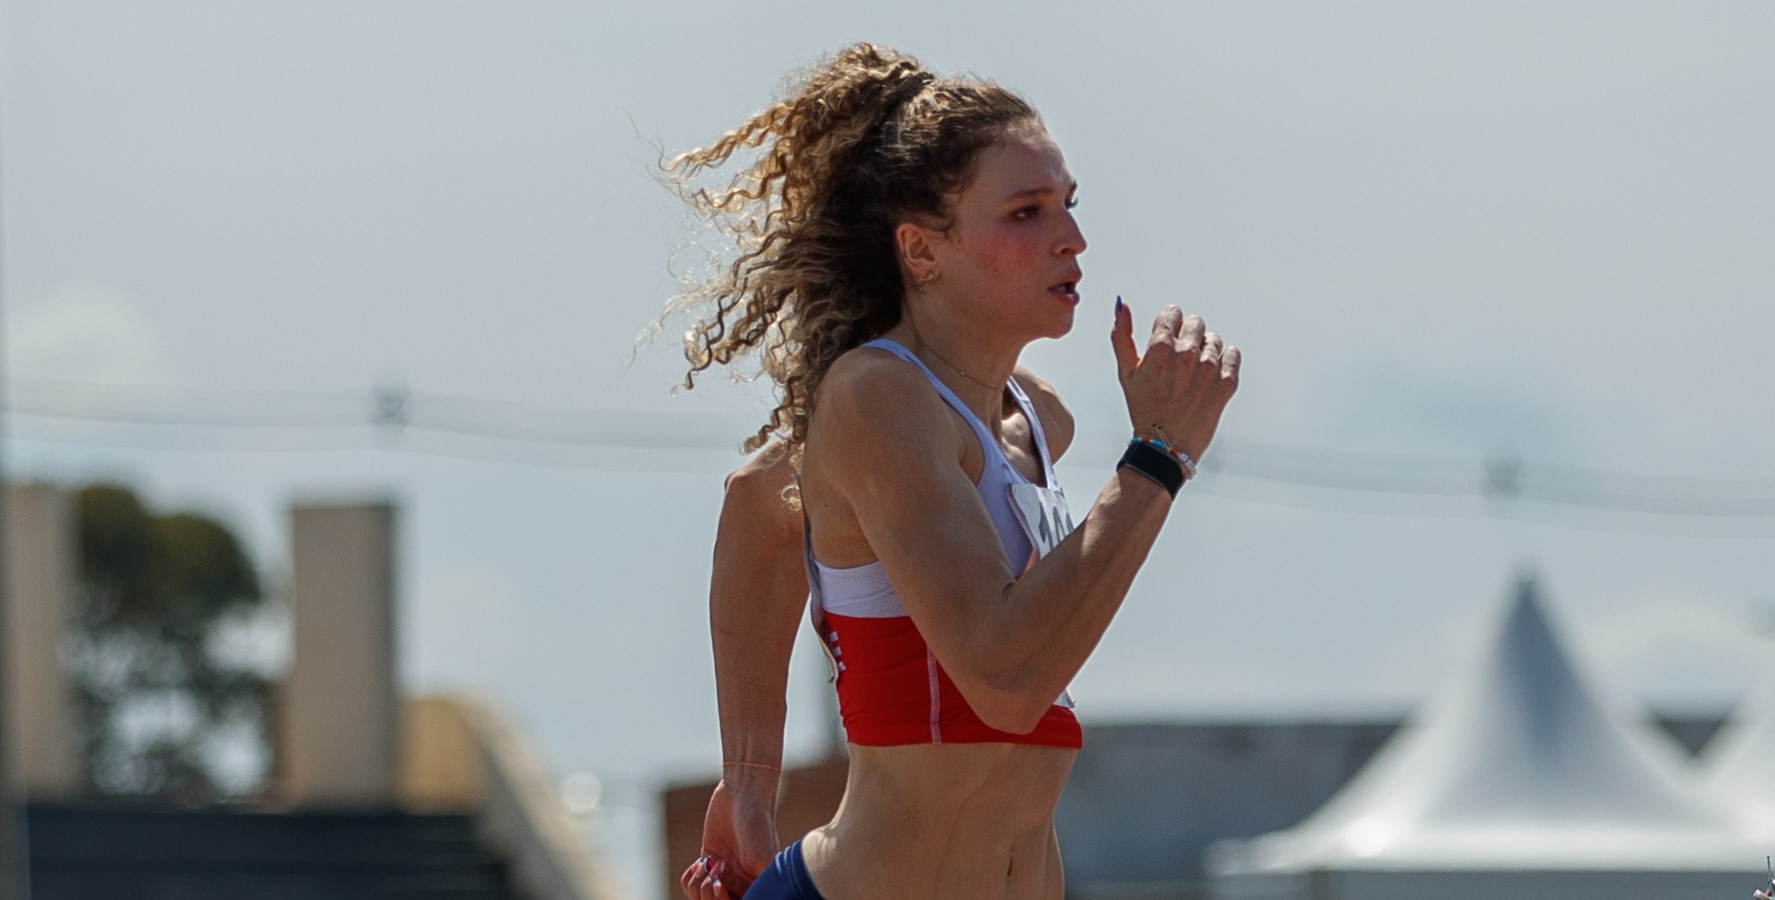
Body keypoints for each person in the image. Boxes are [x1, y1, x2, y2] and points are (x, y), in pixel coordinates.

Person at [664, 43, 1241, 900]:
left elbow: (760, 498)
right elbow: (1003, 680)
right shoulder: (877, 394)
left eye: (1068, 204)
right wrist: (1156, 457)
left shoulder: (1036, 415)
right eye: (1025, 212)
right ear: (921, 250)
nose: (1071, 238)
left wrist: (748, 778)